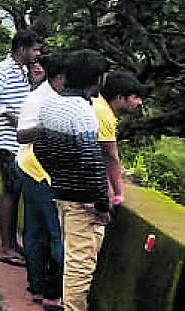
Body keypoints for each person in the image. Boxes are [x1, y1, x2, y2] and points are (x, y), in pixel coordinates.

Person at [33, 50, 109, 311]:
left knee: (70, 256)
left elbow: (39, 150)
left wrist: (61, 180)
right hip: (81, 200)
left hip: (60, 192)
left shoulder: (50, 104)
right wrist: (99, 203)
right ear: (98, 79)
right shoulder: (83, 113)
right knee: (80, 264)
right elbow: (92, 161)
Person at [0, 29, 42, 267]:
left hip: (17, 141)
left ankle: (12, 243)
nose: (37, 54)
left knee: (15, 193)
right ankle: (5, 247)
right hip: (7, 140)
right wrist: (10, 116)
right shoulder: (4, 69)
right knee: (10, 191)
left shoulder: (21, 70)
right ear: (22, 49)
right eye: (34, 49)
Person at [16, 52, 69, 310]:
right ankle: (49, 290)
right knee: (52, 234)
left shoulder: (60, 97)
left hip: (38, 169)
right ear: (60, 76)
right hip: (38, 172)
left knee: (38, 232)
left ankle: (39, 286)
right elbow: (22, 135)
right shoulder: (40, 100)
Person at [95, 70, 148, 208]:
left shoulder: (96, 103)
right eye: (135, 97)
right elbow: (110, 156)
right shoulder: (103, 113)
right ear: (119, 97)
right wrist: (118, 194)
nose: (139, 102)